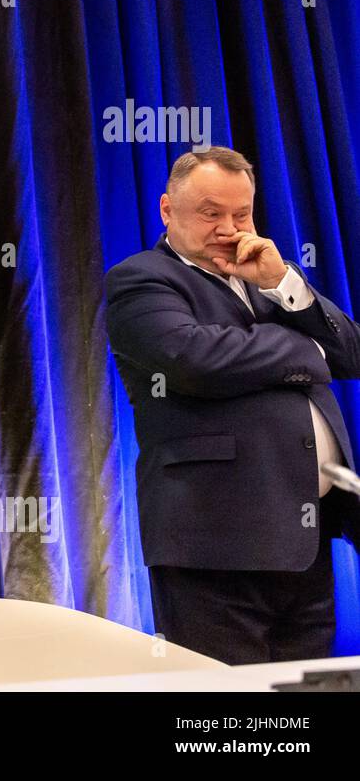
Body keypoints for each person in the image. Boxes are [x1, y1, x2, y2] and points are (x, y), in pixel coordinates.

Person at [106, 147, 360, 663]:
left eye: (241, 214)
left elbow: (349, 353)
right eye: (210, 213)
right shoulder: (141, 278)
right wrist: (306, 349)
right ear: (167, 210)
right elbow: (193, 359)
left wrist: (283, 283)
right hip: (213, 548)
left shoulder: (264, 274)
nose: (228, 227)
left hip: (302, 541)